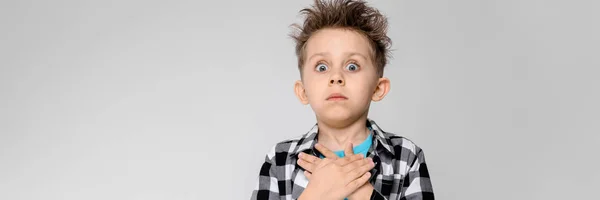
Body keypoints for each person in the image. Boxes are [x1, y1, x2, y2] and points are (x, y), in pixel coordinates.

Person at [250, 0, 434, 199]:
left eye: (352, 66)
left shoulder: (405, 156)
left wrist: (360, 191)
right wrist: (317, 193)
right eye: (322, 67)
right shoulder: (280, 159)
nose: (336, 77)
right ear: (303, 91)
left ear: (378, 88)